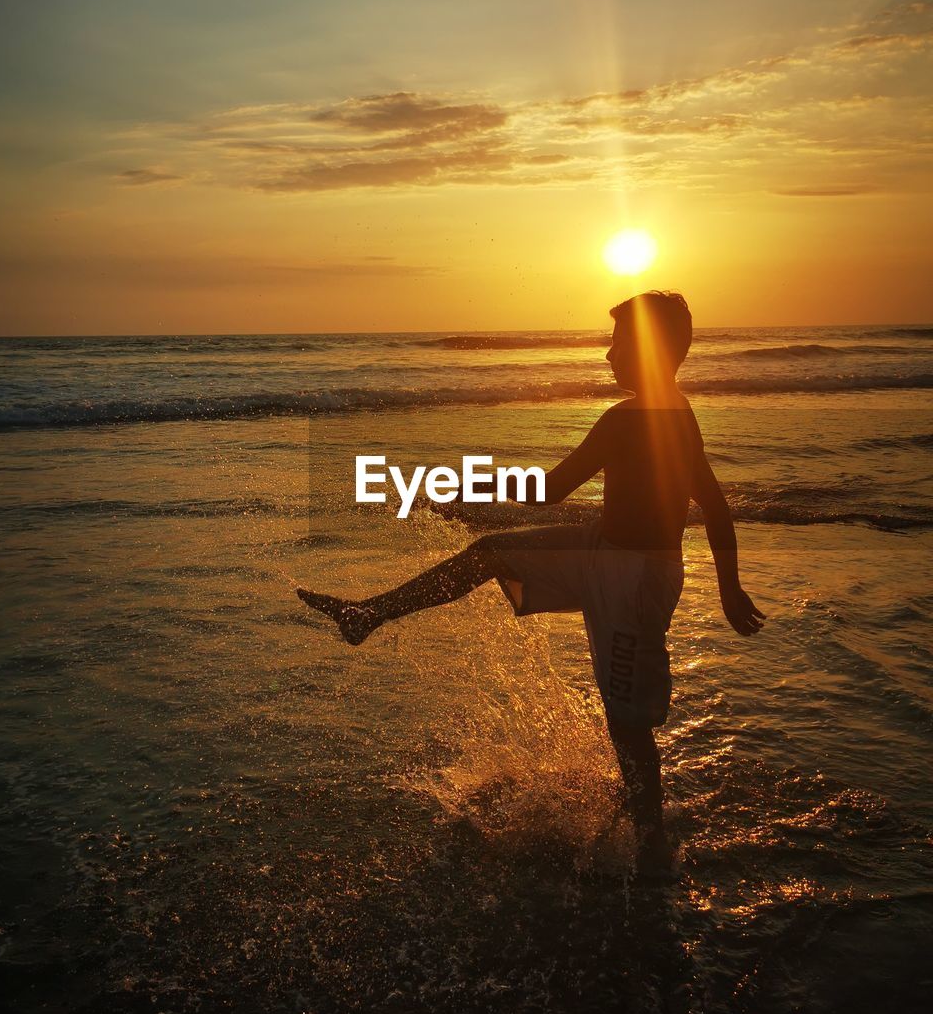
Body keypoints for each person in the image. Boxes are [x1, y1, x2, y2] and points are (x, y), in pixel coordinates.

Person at [298, 291, 765, 875]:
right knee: (492, 553)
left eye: (617, 343)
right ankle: (368, 615)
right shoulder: (678, 409)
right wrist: (728, 586)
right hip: (603, 549)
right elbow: (717, 509)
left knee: (629, 721)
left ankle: (651, 851)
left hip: (633, 575)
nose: (608, 356)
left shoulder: (628, 420)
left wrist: (467, 489)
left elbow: (551, 491)